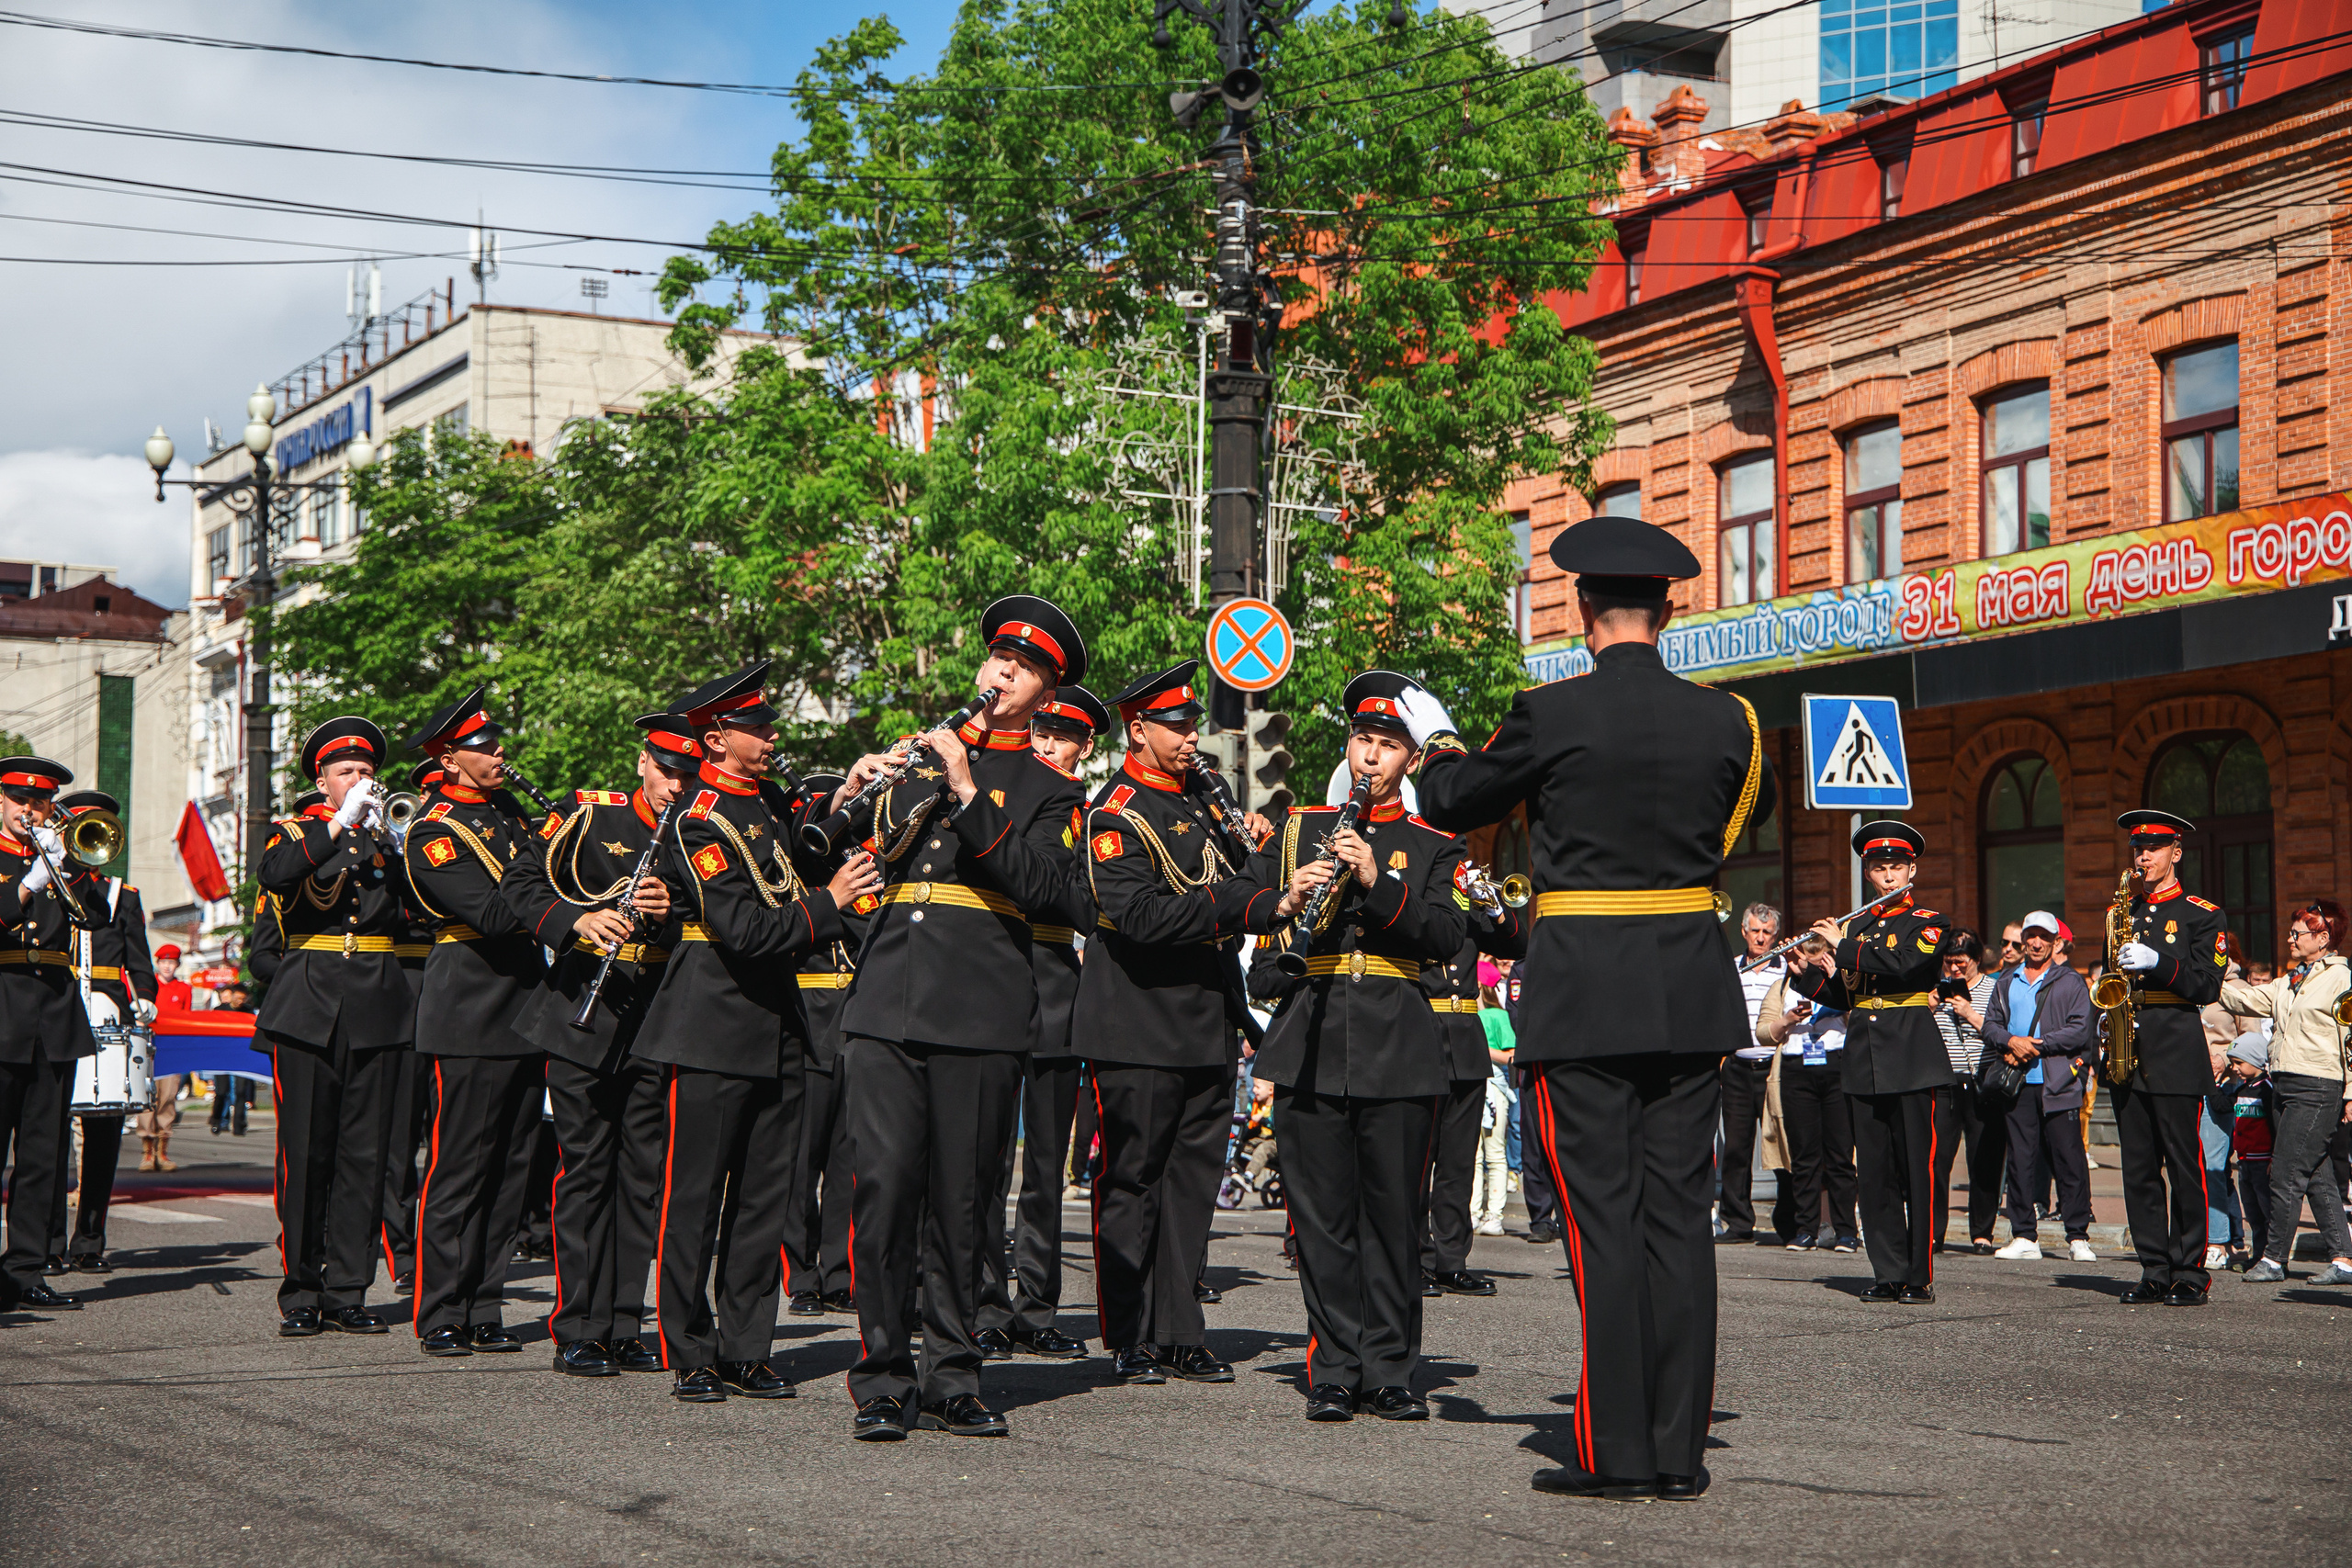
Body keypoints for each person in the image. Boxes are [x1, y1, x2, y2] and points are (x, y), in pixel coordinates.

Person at [1407, 514, 1776, 1502]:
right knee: (1676, 1223)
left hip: (1581, 995)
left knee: (1599, 1225)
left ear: (1581, 611)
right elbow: (1749, 814)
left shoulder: (1549, 710)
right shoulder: (1730, 721)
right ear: (1670, 610)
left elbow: (1447, 802)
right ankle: (1677, 1450)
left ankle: (1615, 1452)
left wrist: (1435, 737)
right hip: (1691, 993)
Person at [831, 600, 1091, 1441]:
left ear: (1045, 692)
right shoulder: (914, 767)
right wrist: (850, 795)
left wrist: (971, 790)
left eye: (1022, 667)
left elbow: (1050, 892)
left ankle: (952, 1374)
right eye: (996, 660)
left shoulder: (1054, 790)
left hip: (979, 1011)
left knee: (962, 1201)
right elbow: (822, 859)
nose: (1001, 673)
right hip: (887, 1001)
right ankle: (879, 1376)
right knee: (885, 1194)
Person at [632, 666, 879, 1403]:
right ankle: (693, 1352)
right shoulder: (696, 815)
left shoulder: (765, 802)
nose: (773, 737)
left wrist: (852, 791)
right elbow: (741, 928)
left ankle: (746, 1347)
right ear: (717, 737)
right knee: (694, 1200)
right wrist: (829, 904)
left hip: (777, 1024)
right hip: (710, 1023)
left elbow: (805, 846)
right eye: (760, 729)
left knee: (764, 1200)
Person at [1073, 659, 1317, 1393]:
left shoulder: (1204, 804)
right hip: (1138, 1023)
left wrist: (1263, 865)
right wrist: (1245, 903)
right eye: (1175, 725)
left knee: (1191, 1184)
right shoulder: (1113, 812)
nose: (1190, 737)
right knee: (1133, 1181)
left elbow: (1241, 887)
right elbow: (1142, 915)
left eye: (1191, 724)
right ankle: (1129, 1333)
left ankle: (1180, 1329)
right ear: (1137, 729)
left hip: (1207, 1022)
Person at [1249, 671, 1470, 1422]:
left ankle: (1391, 1368)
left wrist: (1376, 880)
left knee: (1393, 1218)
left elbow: (1445, 936)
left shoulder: (1434, 843)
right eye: (1362, 741)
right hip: (1309, 1038)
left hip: (1399, 1046)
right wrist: (1287, 898)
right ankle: (1335, 1366)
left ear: (1409, 759)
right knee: (1322, 1220)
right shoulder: (1300, 828)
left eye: (1387, 745)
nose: (1370, 756)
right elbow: (1252, 921)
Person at [498, 713, 691, 1378]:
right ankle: (577, 1325)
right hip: (581, 1009)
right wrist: (576, 919)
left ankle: (620, 1321)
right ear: (643, 763)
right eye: (667, 771)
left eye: (687, 775)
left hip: (654, 1014)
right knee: (585, 1170)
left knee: (640, 1176)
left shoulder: (697, 830)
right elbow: (520, 887)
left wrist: (674, 912)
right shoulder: (588, 816)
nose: (676, 786)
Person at [401, 687, 551, 1355]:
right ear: (450, 758)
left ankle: (484, 1305)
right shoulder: (433, 831)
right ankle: (440, 1308)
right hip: (468, 1006)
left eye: (496, 743)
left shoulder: (508, 813)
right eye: (485, 748)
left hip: (523, 1003)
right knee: (459, 1166)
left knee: (512, 1167)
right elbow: (492, 914)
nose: (499, 754)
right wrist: (544, 848)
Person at [255, 721, 415, 1337]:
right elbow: (277, 875)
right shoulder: (296, 832)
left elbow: (419, 914)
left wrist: (397, 844)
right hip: (310, 1005)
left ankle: (349, 1288)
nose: (359, 780)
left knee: (364, 1156)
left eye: (364, 772)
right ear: (322, 781)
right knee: (307, 1153)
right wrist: (337, 823)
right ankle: (302, 1290)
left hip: (376, 1003)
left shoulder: (384, 839)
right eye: (345, 772)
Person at [976, 682, 1113, 1359]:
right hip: (996, 971)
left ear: (1086, 747)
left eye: (1062, 737)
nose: (1047, 744)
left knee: (1047, 1169)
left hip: (1057, 981)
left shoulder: (1096, 816)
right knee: (987, 1159)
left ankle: (1036, 1305)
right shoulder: (998, 790)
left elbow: (1094, 906)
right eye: (1042, 733)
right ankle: (983, 1303)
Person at [1786, 822, 1955, 1303]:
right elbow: (1849, 995)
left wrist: (1840, 946)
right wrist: (1807, 978)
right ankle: (1887, 1270)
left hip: (1913, 1057)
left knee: (1915, 1171)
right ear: (1868, 873)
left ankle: (1918, 1276)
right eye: (1879, 869)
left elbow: (1901, 965)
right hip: (1865, 1059)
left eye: (1895, 868)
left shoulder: (1929, 921)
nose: (1887, 877)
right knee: (1875, 1173)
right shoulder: (1856, 928)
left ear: (1911, 870)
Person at [2105, 810, 2232, 1305]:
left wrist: (2161, 963)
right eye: (2138, 850)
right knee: (2138, 1168)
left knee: (2184, 1164)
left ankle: (2189, 1271)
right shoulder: (2123, 912)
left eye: (2153, 848)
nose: (2143, 857)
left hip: (2176, 1046)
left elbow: (2206, 985)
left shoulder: (2203, 913)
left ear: (2175, 853)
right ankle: (2154, 1267)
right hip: (2127, 1049)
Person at [0, 756, 96, 1312]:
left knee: (43, 1155)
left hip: (53, 1015)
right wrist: (30, 882)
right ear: (2, 802)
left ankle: (26, 1269)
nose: (29, 811)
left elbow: (97, 921)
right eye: (19, 800)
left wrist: (65, 866)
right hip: (3, 1007)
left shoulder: (63, 860)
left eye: (38, 802)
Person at [2221, 901, 2352, 1284]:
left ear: (2323, 937)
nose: (2291, 938)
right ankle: (2344, 1260)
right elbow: (2245, 999)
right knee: (2316, 1174)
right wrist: (2209, 973)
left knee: (2286, 1173)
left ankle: (2274, 1258)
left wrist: (2350, 1093)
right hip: (2286, 1084)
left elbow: (2350, 1039)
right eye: (2292, 932)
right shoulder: (2291, 980)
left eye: (2299, 933)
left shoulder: (2341, 979)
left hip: (2318, 1084)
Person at [53, 789, 157, 1275]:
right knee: (47, 1134)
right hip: (54, 1010)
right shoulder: (46, 883)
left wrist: (145, 996)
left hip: (108, 1017)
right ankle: (47, 1241)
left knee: (103, 1132)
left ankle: (89, 1241)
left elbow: (140, 962)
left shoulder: (121, 895)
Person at [1420, 845, 1527, 1298]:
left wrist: (1493, 905)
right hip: (1421, 1031)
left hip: (1465, 1035)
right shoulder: (1414, 904)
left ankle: (1451, 1259)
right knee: (1416, 1160)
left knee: (1459, 1161)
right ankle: (1415, 1259)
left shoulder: (1468, 909)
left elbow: (1516, 944)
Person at [783, 771, 868, 1321]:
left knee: (847, 1160)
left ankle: (840, 1271)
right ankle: (800, 1274)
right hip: (809, 1019)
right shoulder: (798, 874)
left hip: (853, 1019)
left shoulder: (864, 872)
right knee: (800, 1160)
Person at [1981, 912, 2097, 1262]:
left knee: (2069, 1160)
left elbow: (2080, 1030)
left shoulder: (2070, 982)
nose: (2034, 943)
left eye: (2042, 937)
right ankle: (2024, 1236)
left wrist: (2038, 1043)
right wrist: (2012, 1040)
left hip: (2058, 1082)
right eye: (2029, 935)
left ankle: (2077, 1236)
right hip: (2018, 1085)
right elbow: (1990, 1026)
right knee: (2019, 1160)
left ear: (2055, 943)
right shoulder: (2005, 981)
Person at [1755, 942, 1858, 1252]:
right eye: (1805, 962)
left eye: (1816, 961)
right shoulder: (1783, 984)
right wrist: (1787, 1020)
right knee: (1804, 1156)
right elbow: (1762, 1032)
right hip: (1797, 1068)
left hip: (1835, 1064)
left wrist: (1835, 978)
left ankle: (1846, 1231)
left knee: (1840, 1154)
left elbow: (1859, 1017)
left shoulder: (1839, 982)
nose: (1808, 967)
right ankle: (1805, 1229)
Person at [1929, 930, 2009, 1255]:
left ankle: (1982, 1232)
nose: (1955, 970)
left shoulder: (1994, 989)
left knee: (1984, 1159)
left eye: (1961, 963)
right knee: (1937, 1161)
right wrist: (1929, 1006)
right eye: (1949, 963)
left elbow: (2003, 1034)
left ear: (1977, 960)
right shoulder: (1937, 989)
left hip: (1983, 1082)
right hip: (1947, 1082)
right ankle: (1934, 1232)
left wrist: (1970, 1014)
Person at [1717, 904, 1786, 1245]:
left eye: (1767, 932)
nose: (1761, 937)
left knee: (1781, 1146)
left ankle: (1789, 1220)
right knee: (1737, 1149)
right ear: (1744, 932)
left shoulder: (1786, 969)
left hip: (1775, 1068)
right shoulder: (1730, 969)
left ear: (1776, 935)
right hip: (1739, 1067)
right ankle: (1738, 1222)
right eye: (1755, 931)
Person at [1471, 985, 1517, 1235]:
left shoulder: (1498, 1015)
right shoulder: (1466, 1015)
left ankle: (1495, 1215)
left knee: (1495, 1153)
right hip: (1470, 1086)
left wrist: (1483, 1051)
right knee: (1473, 1155)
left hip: (1494, 1089)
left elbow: (1512, 1055)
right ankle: (1473, 1212)